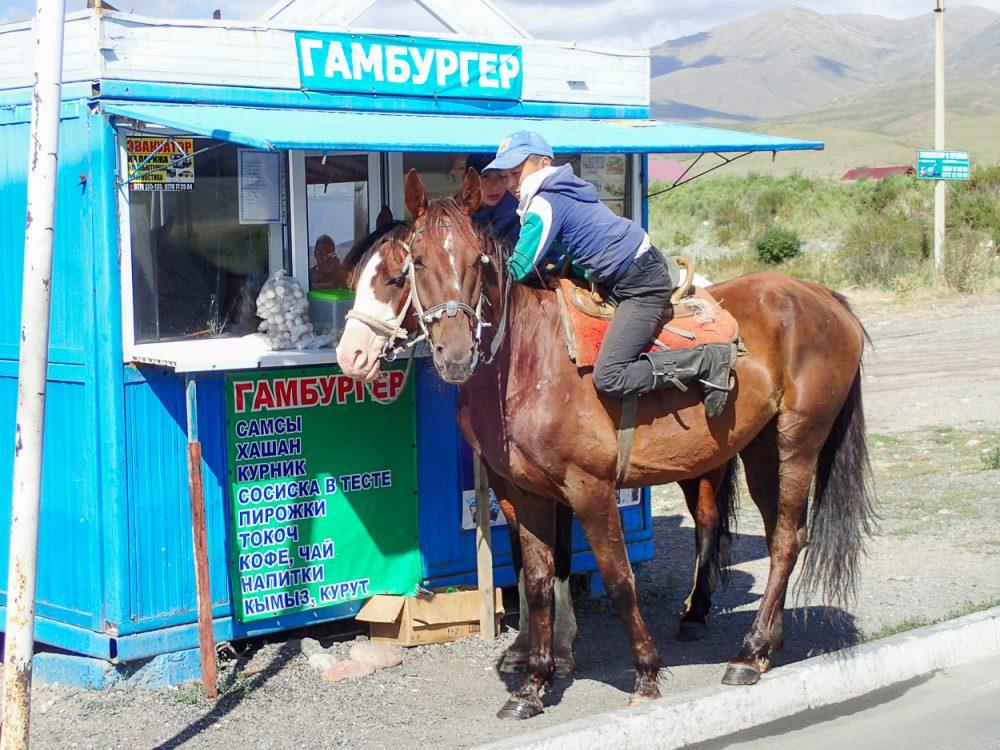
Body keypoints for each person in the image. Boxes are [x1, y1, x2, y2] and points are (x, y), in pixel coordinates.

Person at [483, 131, 732, 415]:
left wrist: (483, 281)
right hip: (630, 270)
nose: (511, 182)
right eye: (504, 176)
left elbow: (517, 268)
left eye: (516, 171)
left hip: (639, 283)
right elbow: (576, 244)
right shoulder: (563, 188)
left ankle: (707, 361)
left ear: (543, 165)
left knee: (609, 376)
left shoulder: (544, 202)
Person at [466, 153, 521, 247]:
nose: (495, 185)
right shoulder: (455, 213)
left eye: (501, 176)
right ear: (468, 180)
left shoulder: (517, 218)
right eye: (485, 176)